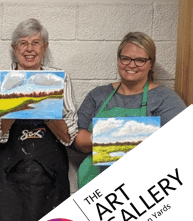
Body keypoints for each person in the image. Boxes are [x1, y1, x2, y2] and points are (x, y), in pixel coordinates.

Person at [0, 19, 76, 221]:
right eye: (23, 43)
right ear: (14, 49)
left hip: (49, 179)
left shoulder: (59, 80)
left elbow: (69, 136)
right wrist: (16, 106)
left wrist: (44, 108)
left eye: (35, 42)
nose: (29, 49)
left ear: (45, 47)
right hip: (7, 180)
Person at [74, 32, 186, 187]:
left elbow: (181, 142)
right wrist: (131, 136)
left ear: (150, 64)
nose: (131, 65)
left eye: (140, 60)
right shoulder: (98, 95)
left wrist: (107, 136)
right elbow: (78, 139)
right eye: (125, 58)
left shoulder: (165, 99)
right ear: (118, 60)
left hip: (143, 185)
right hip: (95, 182)